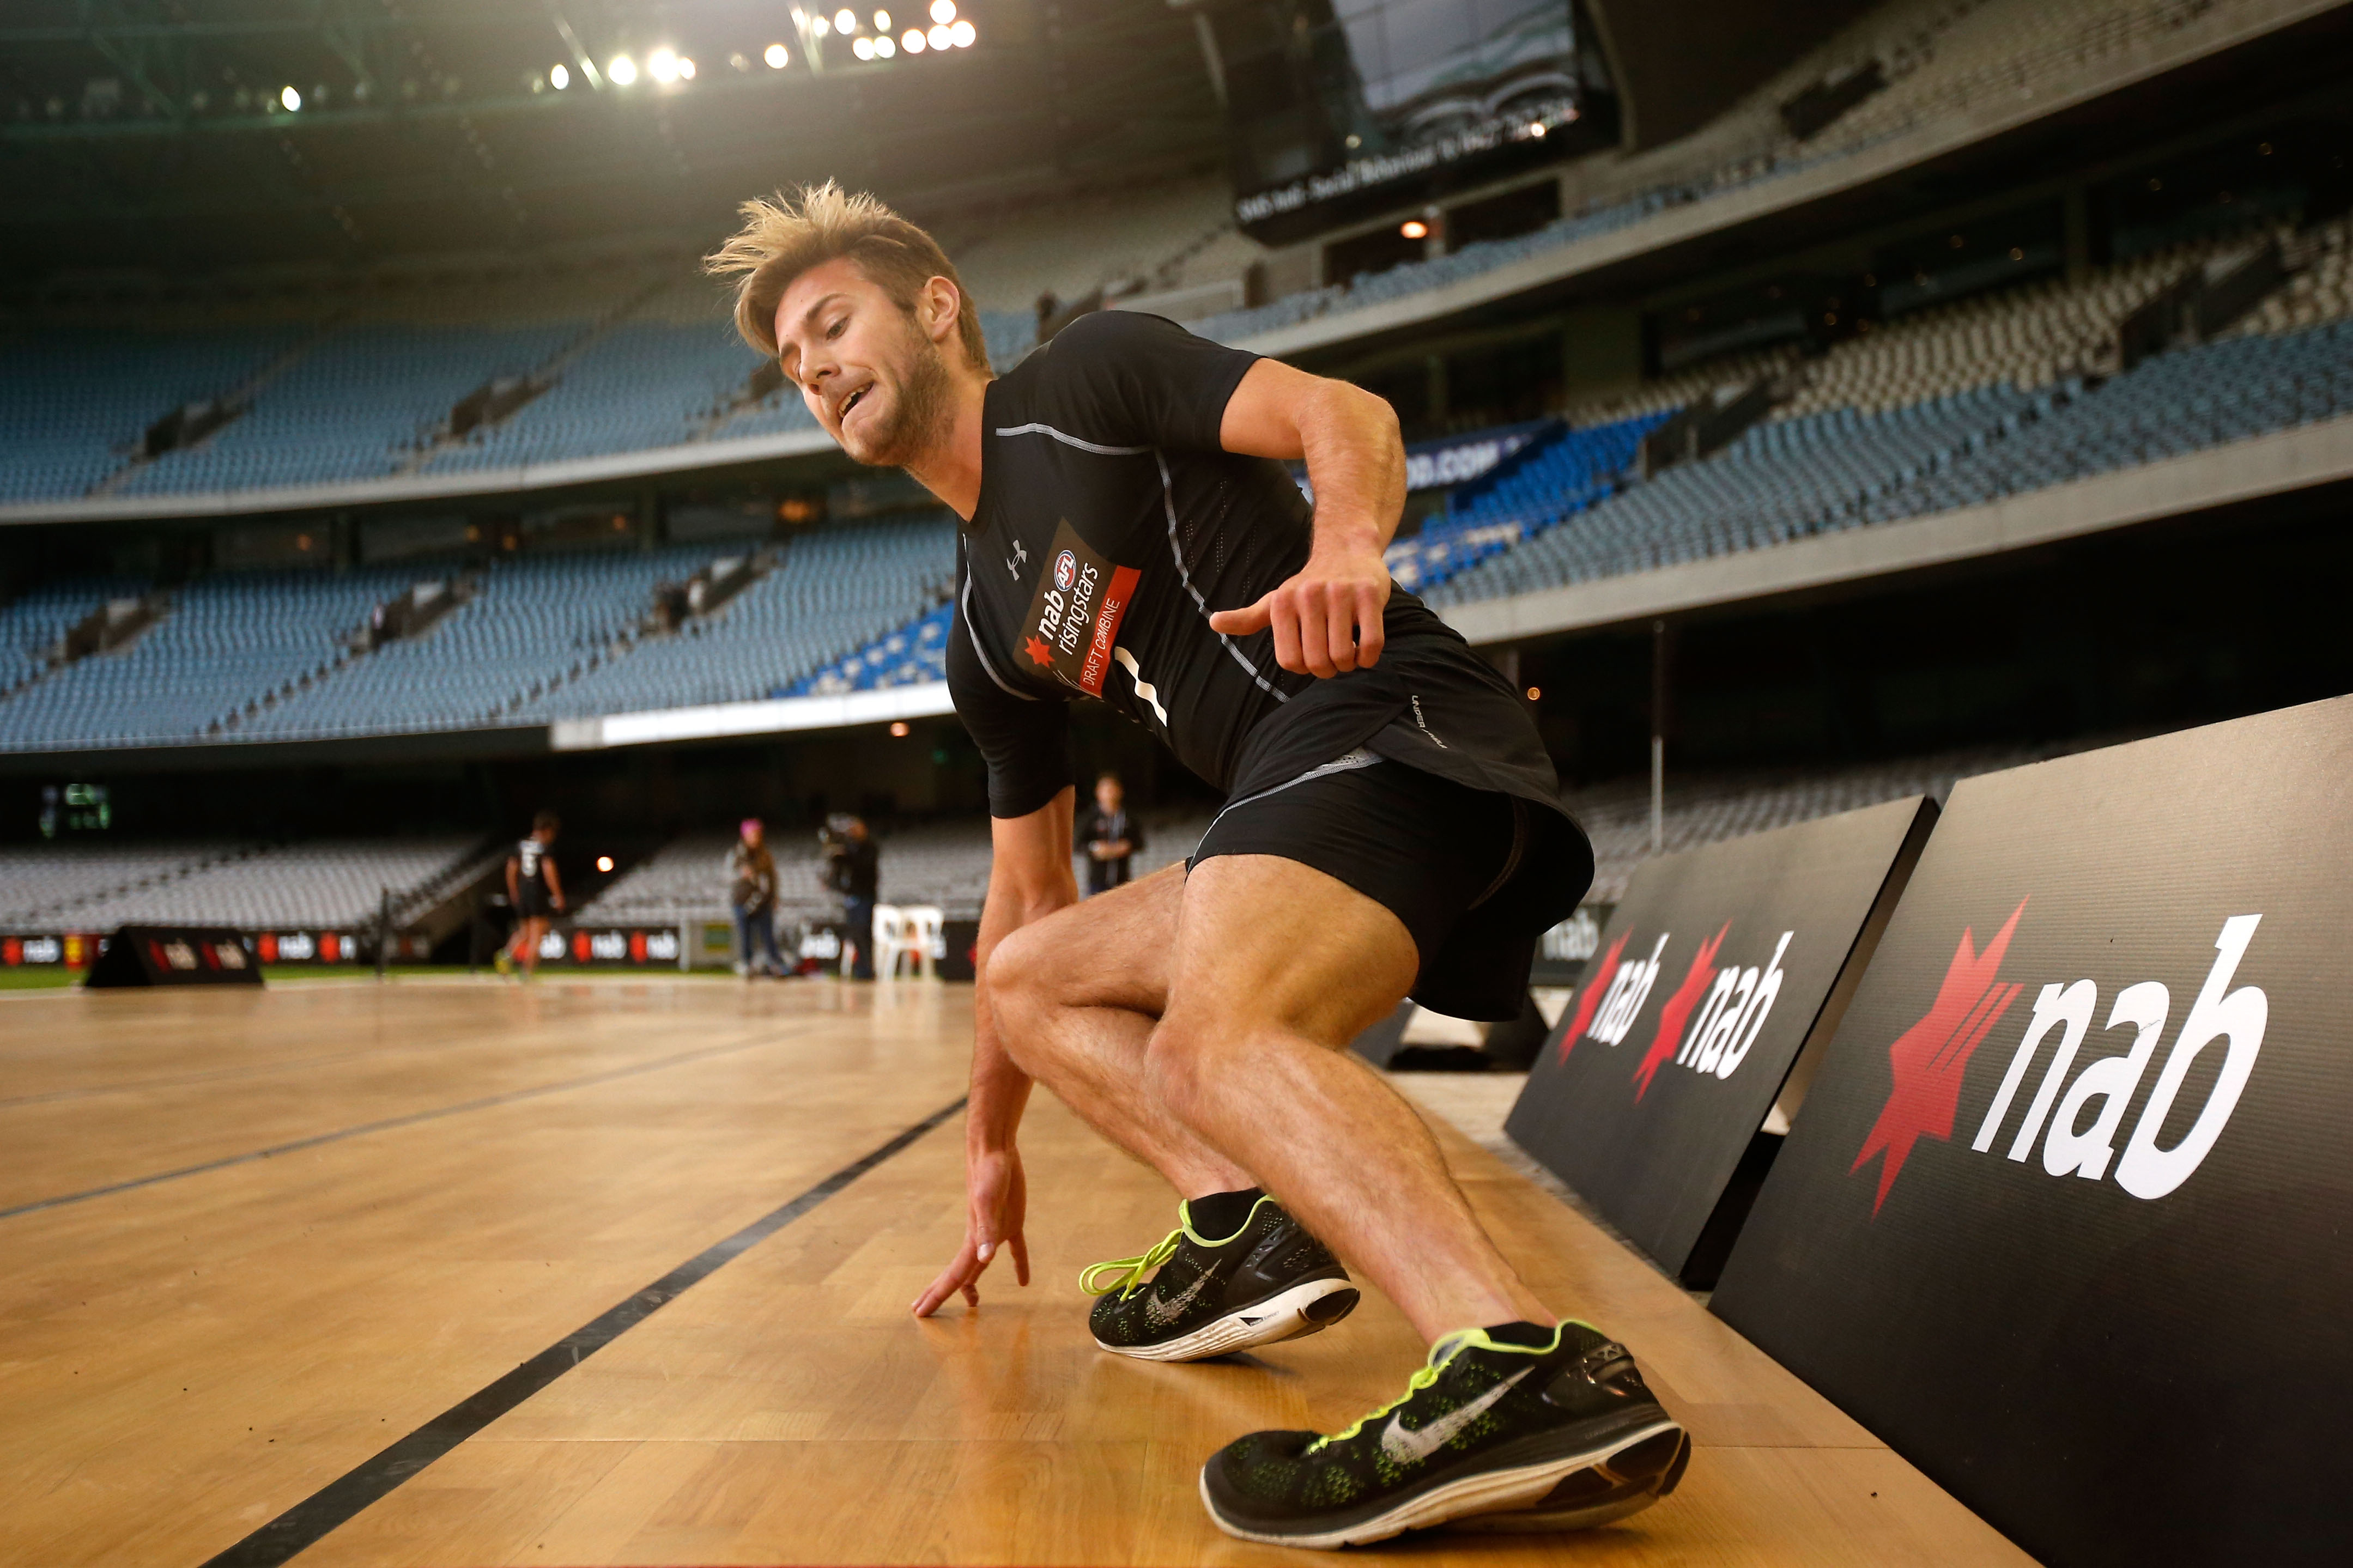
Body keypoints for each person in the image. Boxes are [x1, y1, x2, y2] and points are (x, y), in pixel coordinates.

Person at [708, 185, 1685, 1547]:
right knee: (1029, 978)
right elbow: (1024, 906)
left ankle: (1513, 1357)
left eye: (830, 322)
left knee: (1209, 1045)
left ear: (933, 308)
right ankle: (1244, 1225)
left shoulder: (1084, 378)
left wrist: (1343, 545)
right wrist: (988, 1147)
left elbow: (1343, 414)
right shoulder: (985, 636)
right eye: (790, 362)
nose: (810, 366)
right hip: (1302, 799)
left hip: (1385, 720)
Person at [495, 811, 563, 981]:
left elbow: (511, 868)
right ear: (548, 830)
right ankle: (527, 973)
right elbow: (548, 870)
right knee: (537, 933)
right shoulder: (544, 847)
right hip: (537, 893)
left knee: (524, 932)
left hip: (523, 892)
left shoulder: (521, 844)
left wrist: (514, 891)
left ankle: (506, 954)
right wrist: (557, 894)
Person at [818, 813, 880, 980]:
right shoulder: (850, 847)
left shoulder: (869, 847)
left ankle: (867, 969)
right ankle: (859, 967)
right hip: (852, 896)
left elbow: (862, 865)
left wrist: (846, 855)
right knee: (854, 932)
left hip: (864, 896)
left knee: (863, 931)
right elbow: (840, 866)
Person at [730, 818, 786, 977]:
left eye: (758, 834)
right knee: (745, 936)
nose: (756, 837)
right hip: (742, 901)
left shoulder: (765, 855)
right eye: (752, 834)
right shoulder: (737, 854)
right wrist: (741, 874)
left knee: (768, 934)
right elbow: (728, 875)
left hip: (763, 901)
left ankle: (775, 964)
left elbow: (772, 877)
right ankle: (747, 964)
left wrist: (774, 896)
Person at [1074, 771, 1144, 896]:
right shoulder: (1090, 818)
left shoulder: (1128, 818)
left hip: (1122, 880)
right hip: (1098, 882)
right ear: (1098, 792)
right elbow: (1078, 845)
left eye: (1112, 789)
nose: (1110, 794)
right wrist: (1096, 848)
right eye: (1106, 790)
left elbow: (1140, 843)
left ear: (1120, 791)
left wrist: (1126, 846)